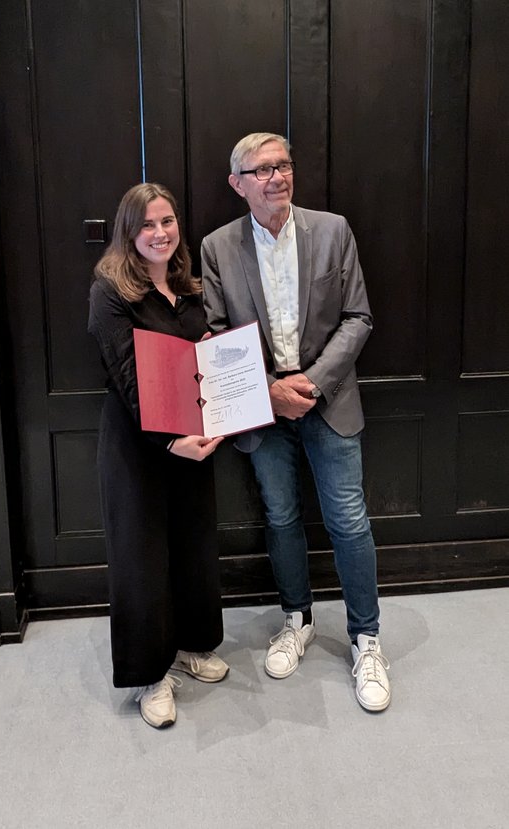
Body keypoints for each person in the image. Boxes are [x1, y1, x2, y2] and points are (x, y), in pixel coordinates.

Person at [201, 133, 390, 712]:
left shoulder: (333, 230)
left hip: (326, 398)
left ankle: (366, 637)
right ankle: (297, 618)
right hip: (261, 407)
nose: (276, 176)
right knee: (281, 516)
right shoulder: (217, 247)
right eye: (261, 170)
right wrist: (269, 390)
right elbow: (213, 334)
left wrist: (311, 383)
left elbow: (358, 317)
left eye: (282, 165)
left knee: (349, 520)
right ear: (237, 184)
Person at [88, 182, 229, 729]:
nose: (159, 232)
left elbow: (209, 361)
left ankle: (194, 645)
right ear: (129, 231)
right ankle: (151, 674)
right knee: (141, 559)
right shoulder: (110, 292)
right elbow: (127, 378)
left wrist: (217, 420)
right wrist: (169, 441)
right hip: (139, 447)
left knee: (193, 545)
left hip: (196, 442)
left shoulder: (187, 288)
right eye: (147, 224)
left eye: (167, 221)